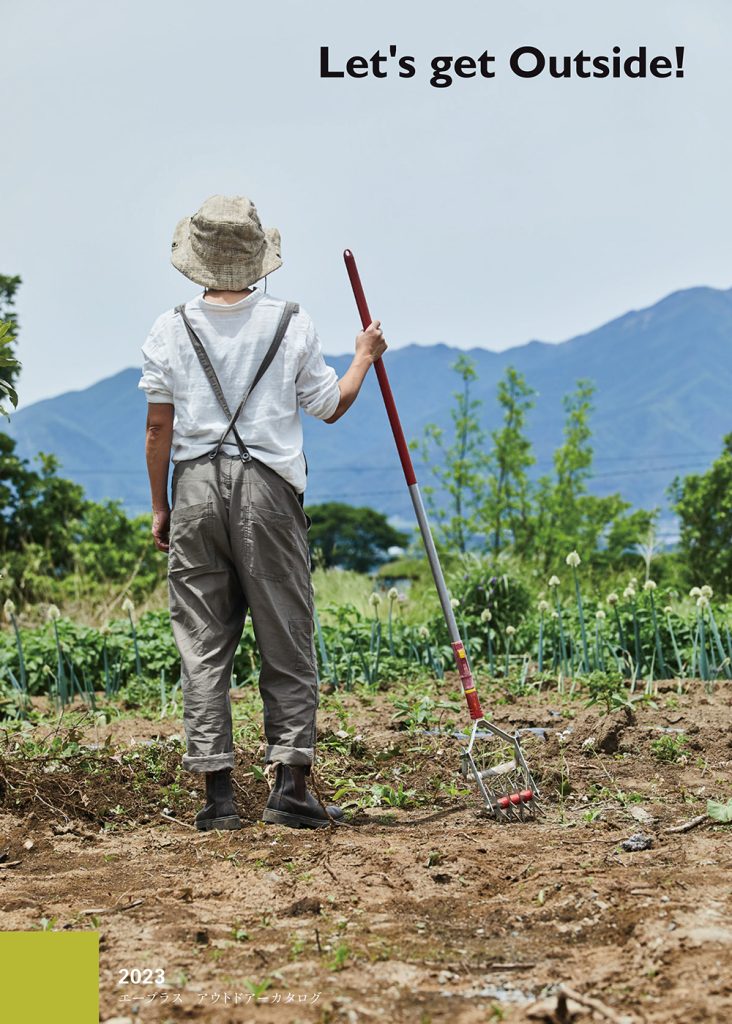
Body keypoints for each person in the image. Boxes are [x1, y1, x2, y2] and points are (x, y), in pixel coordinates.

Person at [138, 194, 386, 830]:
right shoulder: (291, 321)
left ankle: (217, 797)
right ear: (258, 258)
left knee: (202, 645)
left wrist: (161, 506)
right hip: (270, 492)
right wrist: (365, 354)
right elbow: (330, 405)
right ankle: (290, 787)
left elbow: (156, 430)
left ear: (195, 262)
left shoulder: (169, 328)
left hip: (192, 489)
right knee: (285, 634)